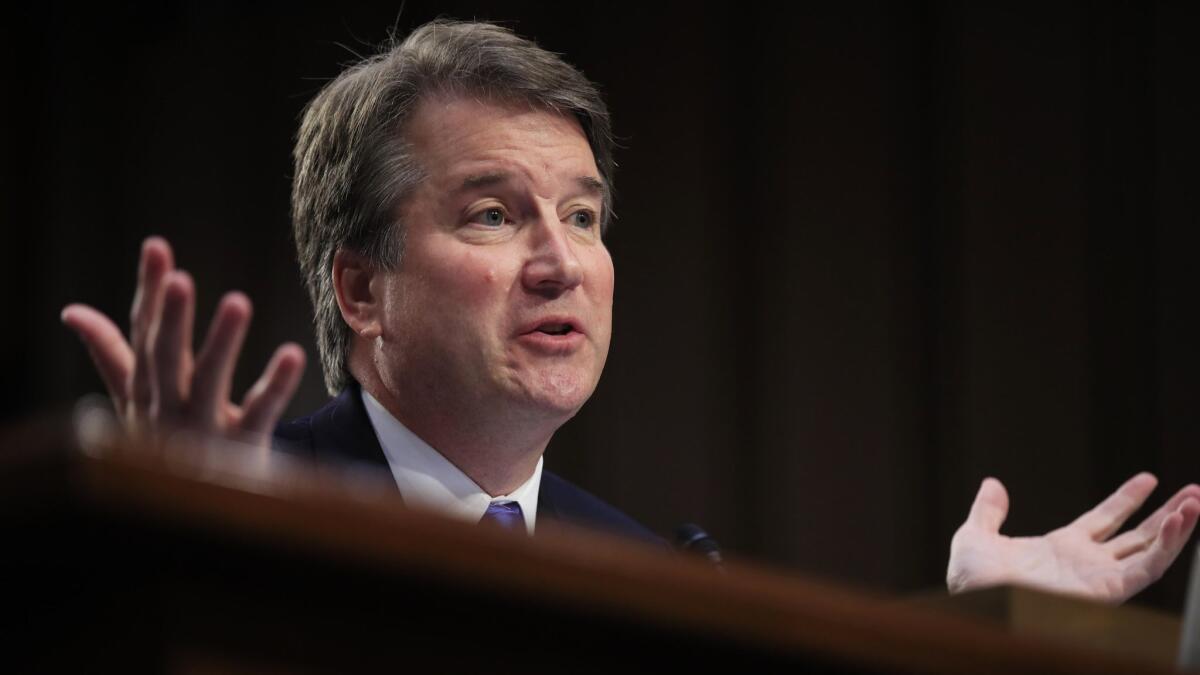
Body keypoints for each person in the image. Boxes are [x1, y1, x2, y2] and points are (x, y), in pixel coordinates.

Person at [60, 20, 1200, 603]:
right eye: (497, 216)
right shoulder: (242, 497)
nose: (564, 263)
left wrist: (970, 642)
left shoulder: (652, 577)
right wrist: (175, 540)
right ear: (364, 290)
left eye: (587, 217)